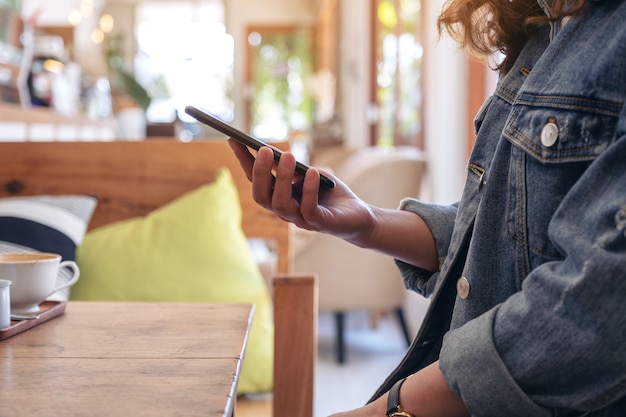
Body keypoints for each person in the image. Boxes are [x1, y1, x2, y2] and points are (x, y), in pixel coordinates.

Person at [229, 0, 626, 415]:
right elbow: (503, 230)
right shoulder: (545, 33)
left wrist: (395, 408)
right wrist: (367, 222)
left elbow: (601, 301)